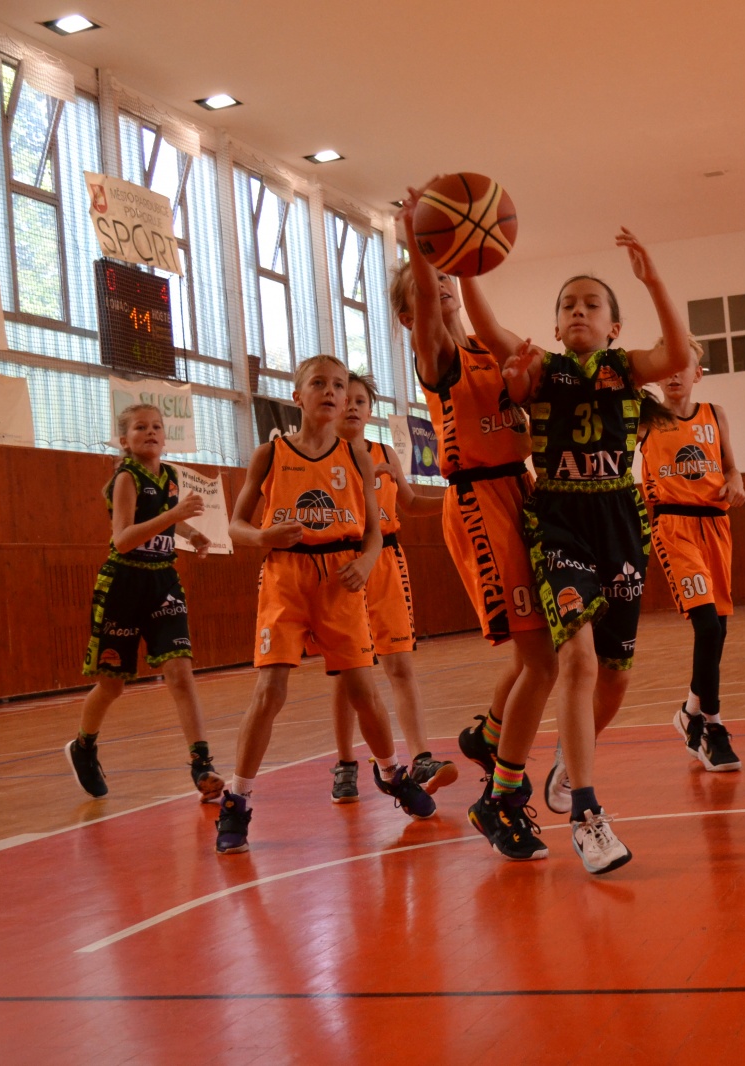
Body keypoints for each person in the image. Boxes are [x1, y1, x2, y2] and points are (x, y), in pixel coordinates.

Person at [464, 226, 698, 874]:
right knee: (578, 658)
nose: (578, 311)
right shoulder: (543, 367)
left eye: (592, 304)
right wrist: (465, 266)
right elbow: (487, 330)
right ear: (556, 324)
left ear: (614, 326)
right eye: (568, 303)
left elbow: (677, 352)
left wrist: (653, 279)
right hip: (559, 519)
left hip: (620, 519)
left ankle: (573, 758)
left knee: (615, 674)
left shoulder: (627, 369)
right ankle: (588, 816)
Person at [214, 356, 434, 854]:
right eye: (319, 383)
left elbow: (375, 531)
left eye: (338, 385)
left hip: (340, 576)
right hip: (285, 576)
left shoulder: (357, 456)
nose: (331, 392)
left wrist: (368, 560)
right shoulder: (269, 454)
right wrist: (263, 535)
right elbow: (236, 526)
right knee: (270, 691)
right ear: (298, 396)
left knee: (363, 689)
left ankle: (391, 774)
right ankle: (237, 799)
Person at [396, 188, 556, 863]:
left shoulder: (493, 351)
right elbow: (432, 306)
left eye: (448, 279)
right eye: (428, 288)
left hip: (525, 491)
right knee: (542, 660)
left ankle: (489, 736)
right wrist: (421, 246)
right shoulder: (437, 358)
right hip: (478, 504)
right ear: (410, 314)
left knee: (540, 649)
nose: (443, 289)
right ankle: (500, 795)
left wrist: (462, 259)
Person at [66, 403, 224, 802]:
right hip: (124, 583)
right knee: (113, 685)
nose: (150, 432)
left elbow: (164, 517)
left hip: (162, 581)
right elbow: (123, 539)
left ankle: (201, 762)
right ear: (125, 440)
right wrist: (175, 515)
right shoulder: (125, 477)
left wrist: (191, 533)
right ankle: (83, 746)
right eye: (140, 427)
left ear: (165, 436)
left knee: (181, 673)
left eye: (156, 426)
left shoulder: (169, 476)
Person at [324, 371, 455, 802]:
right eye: (347, 399)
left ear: (370, 410)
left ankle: (421, 757)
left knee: (400, 665)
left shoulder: (383, 453)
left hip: (386, 562)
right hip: (344, 564)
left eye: (361, 401)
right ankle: (345, 762)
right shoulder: (320, 457)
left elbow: (411, 503)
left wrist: (458, 498)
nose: (353, 406)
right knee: (348, 673)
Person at [638, 351, 745, 771]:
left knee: (719, 627)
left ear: (697, 373)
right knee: (706, 625)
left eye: (681, 367)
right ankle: (712, 728)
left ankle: (690, 711)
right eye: (664, 368)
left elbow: (731, 467)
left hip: (716, 525)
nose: (672, 375)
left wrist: (736, 481)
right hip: (674, 526)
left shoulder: (714, 414)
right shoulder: (645, 418)